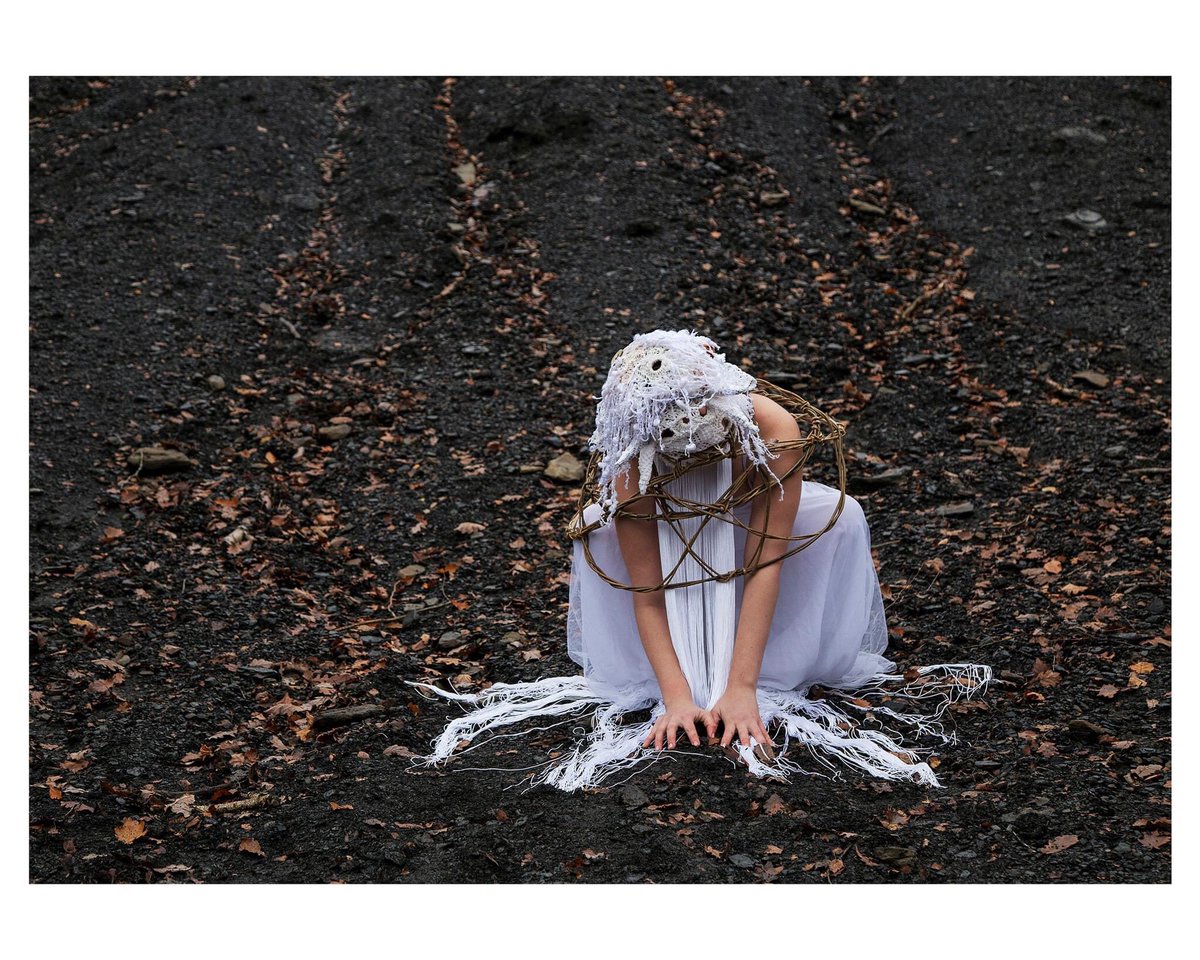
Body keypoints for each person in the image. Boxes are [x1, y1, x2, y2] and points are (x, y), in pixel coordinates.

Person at [410, 329, 990, 792]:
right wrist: (677, 697)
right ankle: (673, 668)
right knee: (597, 532)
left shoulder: (771, 427)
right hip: (666, 524)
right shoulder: (633, 463)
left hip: (750, 520)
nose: (692, 436)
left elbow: (766, 562)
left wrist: (741, 688)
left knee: (843, 517)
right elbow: (648, 593)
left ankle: (776, 658)